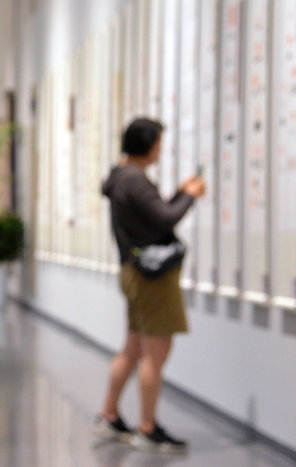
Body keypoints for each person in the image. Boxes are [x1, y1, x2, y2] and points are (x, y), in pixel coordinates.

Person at [93, 118, 205, 453]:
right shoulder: (135, 180)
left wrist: (180, 194)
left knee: (133, 349)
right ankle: (147, 426)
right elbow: (164, 219)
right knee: (155, 354)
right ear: (147, 145)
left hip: (133, 271)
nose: (160, 150)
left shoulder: (121, 177)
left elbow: (152, 215)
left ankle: (109, 415)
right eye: (158, 144)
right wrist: (190, 196)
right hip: (151, 278)